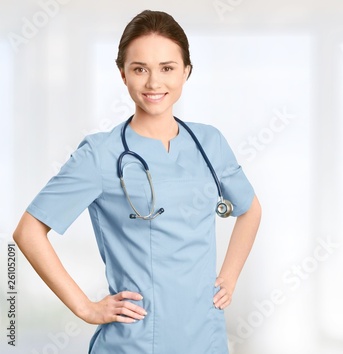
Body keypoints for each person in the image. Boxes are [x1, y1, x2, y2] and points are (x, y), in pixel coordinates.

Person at [13, 10, 261, 353]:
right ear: (123, 74)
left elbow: (250, 209)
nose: (153, 83)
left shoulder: (210, 143)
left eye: (167, 68)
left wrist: (229, 278)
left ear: (186, 71)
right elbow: (28, 231)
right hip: (134, 343)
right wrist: (85, 307)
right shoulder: (101, 154)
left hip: (206, 338)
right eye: (140, 69)